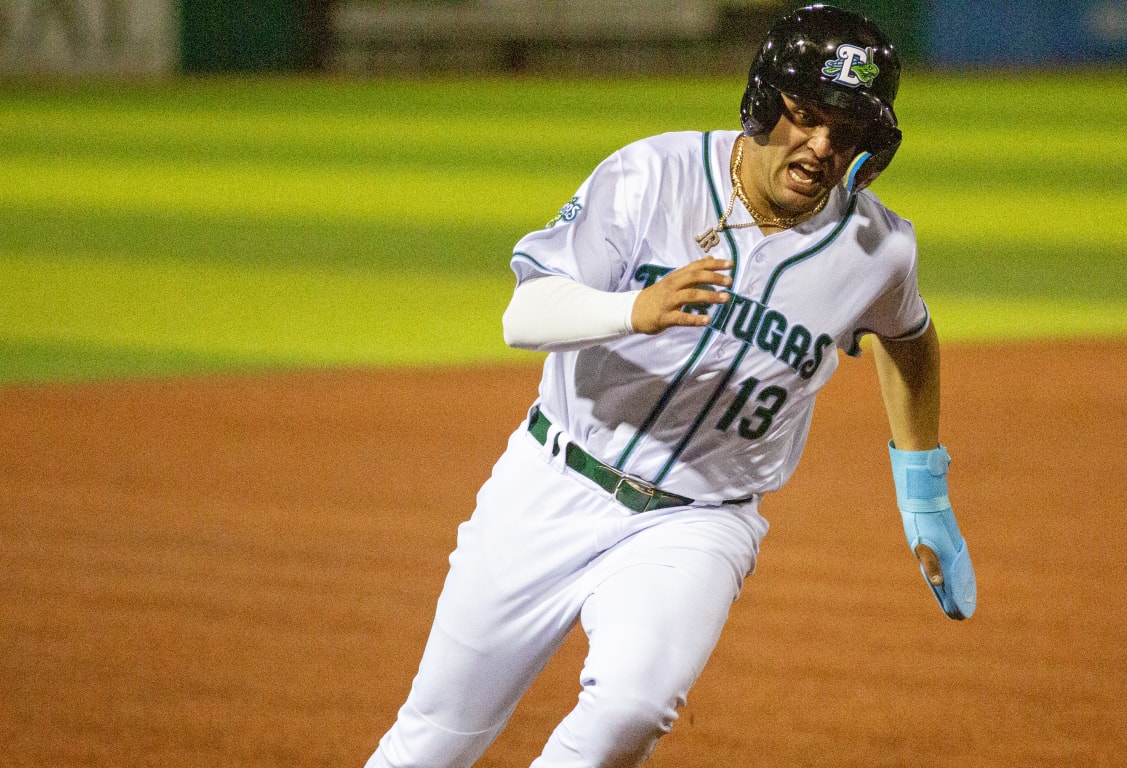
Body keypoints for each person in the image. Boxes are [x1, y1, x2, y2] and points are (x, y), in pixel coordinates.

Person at [364, 5, 976, 767]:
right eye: (805, 116)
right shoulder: (651, 174)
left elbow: (909, 337)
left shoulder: (876, 248)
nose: (820, 147)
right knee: (432, 741)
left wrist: (923, 495)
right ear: (762, 101)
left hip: (697, 523)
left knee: (631, 710)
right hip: (552, 484)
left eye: (846, 132)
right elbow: (525, 312)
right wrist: (632, 309)